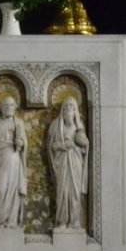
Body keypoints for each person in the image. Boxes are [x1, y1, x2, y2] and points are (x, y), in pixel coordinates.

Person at [0, 96, 27, 229]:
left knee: (12, 191)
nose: (9, 108)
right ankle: (0, 221)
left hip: (13, 158)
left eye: (11, 105)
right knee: (0, 189)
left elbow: (24, 141)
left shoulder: (18, 122)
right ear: (1, 108)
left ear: (15, 108)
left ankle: (11, 222)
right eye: (6, 105)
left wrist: (22, 144)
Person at [47, 96, 89, 230]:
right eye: (65, 108)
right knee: (62, 192)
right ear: (62, 111)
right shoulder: (55, 126)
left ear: (75, 111)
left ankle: (75, 221)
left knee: (75, 192)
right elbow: (51, 147)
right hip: (61, 164)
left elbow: (85, 148)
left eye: (71, 108)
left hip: (76, 163)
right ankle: (61, 221)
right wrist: (63, 145)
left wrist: (80, 145)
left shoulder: (79, 127)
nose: (68, 111)